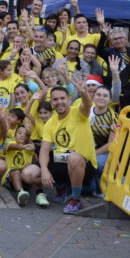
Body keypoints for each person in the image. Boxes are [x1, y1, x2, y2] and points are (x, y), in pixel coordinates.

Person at [40, 77, 98, 214]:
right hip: (64, 162)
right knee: (38, 165)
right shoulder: (50, 122)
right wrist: (43, 169)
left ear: (69, 100)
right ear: (51, 102)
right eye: (55, 99)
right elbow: (44, 150)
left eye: (62, 98)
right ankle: (61, 188)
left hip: (84, 164)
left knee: (73, 158)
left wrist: (83, 92)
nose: (59, 102)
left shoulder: (78, 112)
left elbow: (88, 104)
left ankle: (75, 199)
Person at [3, 125, 49, 207]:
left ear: (28, 137)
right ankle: (20, 193)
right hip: (10, 179)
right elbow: (14, 146)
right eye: (19, 133)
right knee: (16, 171)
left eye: (25, 134)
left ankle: (40, 194)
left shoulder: (30, 147)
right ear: (14, 135)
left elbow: (37, 161)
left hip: (25, 179)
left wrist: (34, 149)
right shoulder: (9, 142)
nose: (22, 135)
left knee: (31, 167)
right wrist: (23, 147)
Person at [88, 86, 118, 196]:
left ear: (110, 100)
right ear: (93, 97)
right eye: (98, 95)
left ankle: (99, 190)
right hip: (85, 149)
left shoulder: (113, 116)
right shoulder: (86, 111)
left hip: (103, 151)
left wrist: (93, 154)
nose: (101, 98)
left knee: (97, 163)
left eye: (105, 96)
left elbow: (110, 143)